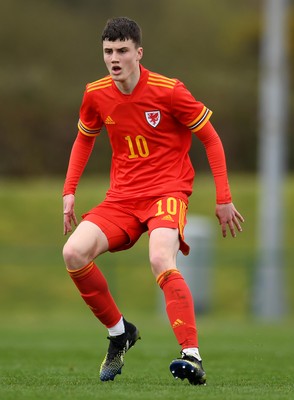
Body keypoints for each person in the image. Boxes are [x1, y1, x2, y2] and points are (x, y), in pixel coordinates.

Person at [62, 16, 244, 386]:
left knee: (161, 257)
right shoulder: (95, 93)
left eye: (122, 51)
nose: (114, 58)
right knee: (73, 253)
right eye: (108, 51)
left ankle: (191, 355)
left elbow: (210, 138)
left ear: (138, 53)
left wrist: (224, 197)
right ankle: (119, 333)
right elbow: (84, 140)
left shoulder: (169, 90)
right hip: (122, 198)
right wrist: (69, 192)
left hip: (167, 192)